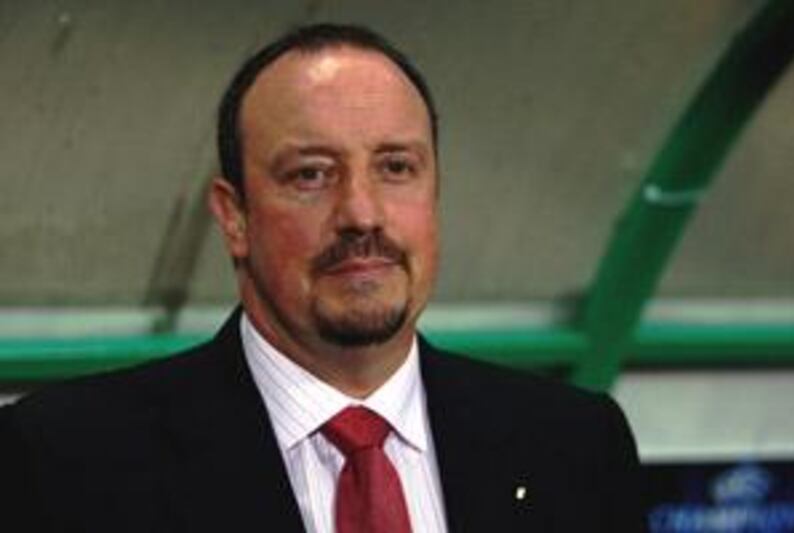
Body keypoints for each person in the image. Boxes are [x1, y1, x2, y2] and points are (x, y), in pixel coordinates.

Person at [0, 23, 645, 532]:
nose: (361, 213)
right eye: (311, 174)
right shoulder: (66, 461)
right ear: (234, 218)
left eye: (396, 168)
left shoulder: (575, 446)